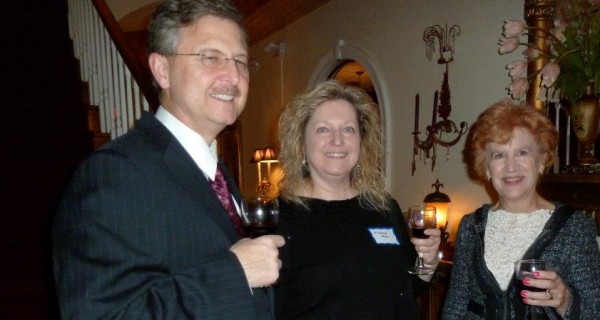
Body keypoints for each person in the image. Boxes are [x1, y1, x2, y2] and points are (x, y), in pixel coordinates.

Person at [52, 0, 284, 318]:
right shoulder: (114, 174)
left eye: (241, 61)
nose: (233, 75)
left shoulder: (216, 174)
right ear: (162, 70)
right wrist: (234, 275)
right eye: (210, 57)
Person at [273, 80, 441, 319]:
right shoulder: (280, 218)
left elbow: (406, 289)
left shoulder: (382, 206)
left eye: (348, 129)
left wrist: (428, 261)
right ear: (301, 142)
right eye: (323, 129)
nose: (337, 140)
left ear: (362, 141)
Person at [443, 99, 600, 319]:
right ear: (486, 168)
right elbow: (455, 305)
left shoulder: (576, 227)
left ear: (542, 160)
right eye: (499, 155)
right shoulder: (471, 225)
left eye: (522, 153)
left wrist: (565, 299)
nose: (511, 166)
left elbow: (594, 312)